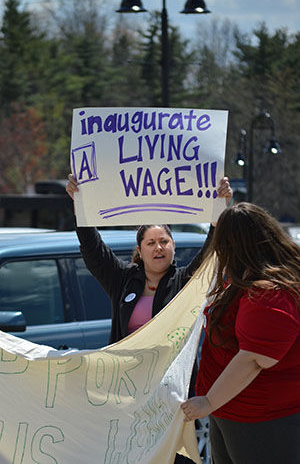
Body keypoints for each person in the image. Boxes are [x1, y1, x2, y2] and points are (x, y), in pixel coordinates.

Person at [66, 173, 232, 464]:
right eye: (151, 242)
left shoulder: (183, 282)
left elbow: (210, 252)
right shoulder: (122, 280)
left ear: (173, 247)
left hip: (171, 398)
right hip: (128, 394)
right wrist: (80, 204)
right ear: (140, 251)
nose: (159, 247)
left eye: (164, 241)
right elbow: (92, 250)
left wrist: (219, 208)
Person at [181, 202, 300, 464]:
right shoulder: (246, 278)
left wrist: (209, 402)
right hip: (235, 414)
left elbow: (256, 359)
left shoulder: (269, 292)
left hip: (262, 421)